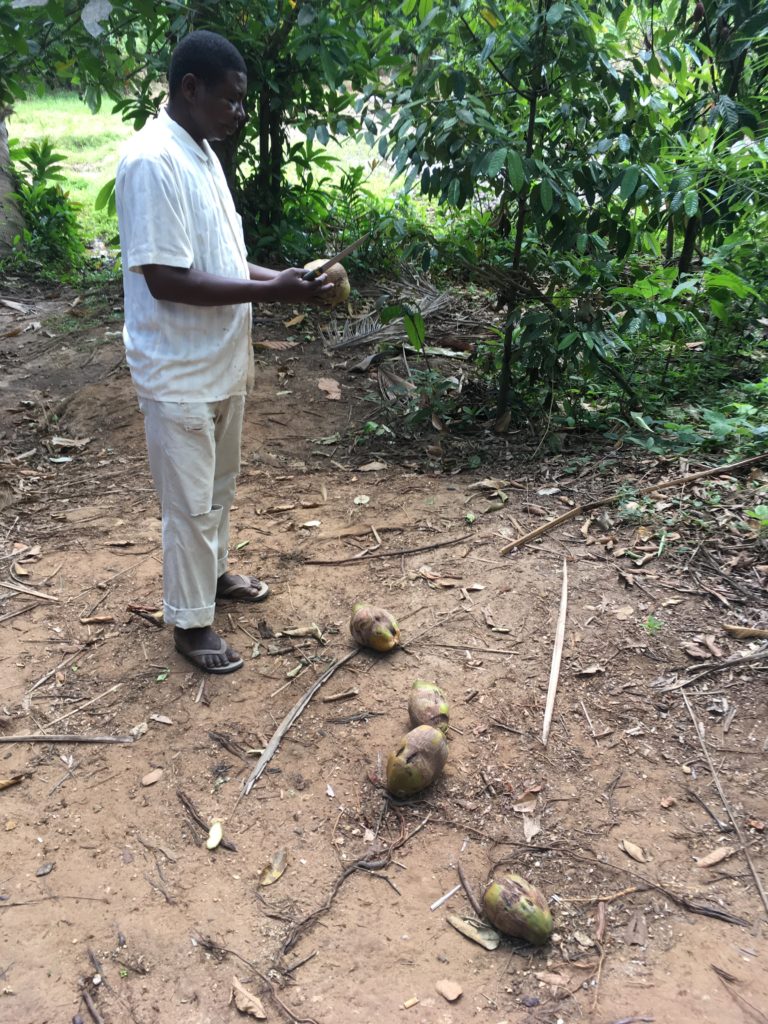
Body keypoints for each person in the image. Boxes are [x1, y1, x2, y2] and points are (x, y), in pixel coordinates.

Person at [115, 30, 331, 674]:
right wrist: (275, 294)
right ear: (191, 88)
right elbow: (166, 277)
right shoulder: (152, 161)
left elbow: (226, 261)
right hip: (178, 367)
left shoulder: (202, 153)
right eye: (232, 100)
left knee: (218, 486)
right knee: (188, 501)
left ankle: (210, 579)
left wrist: (289, 281)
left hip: (221, 361)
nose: (240, 112)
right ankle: (189, 624)